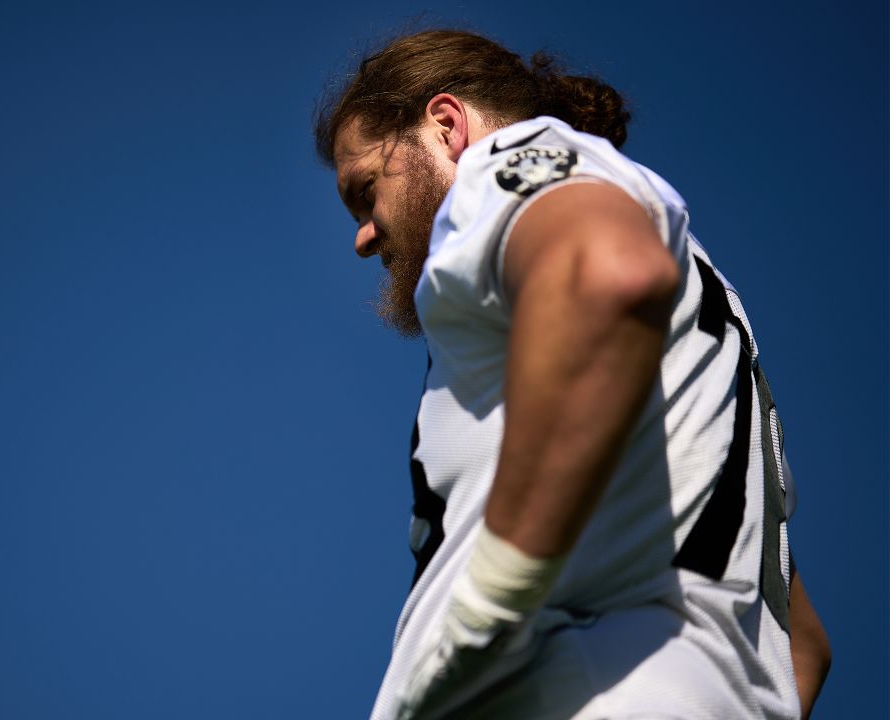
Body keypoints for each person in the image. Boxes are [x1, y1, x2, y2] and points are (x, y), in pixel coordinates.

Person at [313, 29, 831, 719]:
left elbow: (609, 274)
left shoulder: (505, 166)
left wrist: (489, 600)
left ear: (445, 127)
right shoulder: (700, 321)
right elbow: (802, 647)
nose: (363, 237)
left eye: (365, 191)